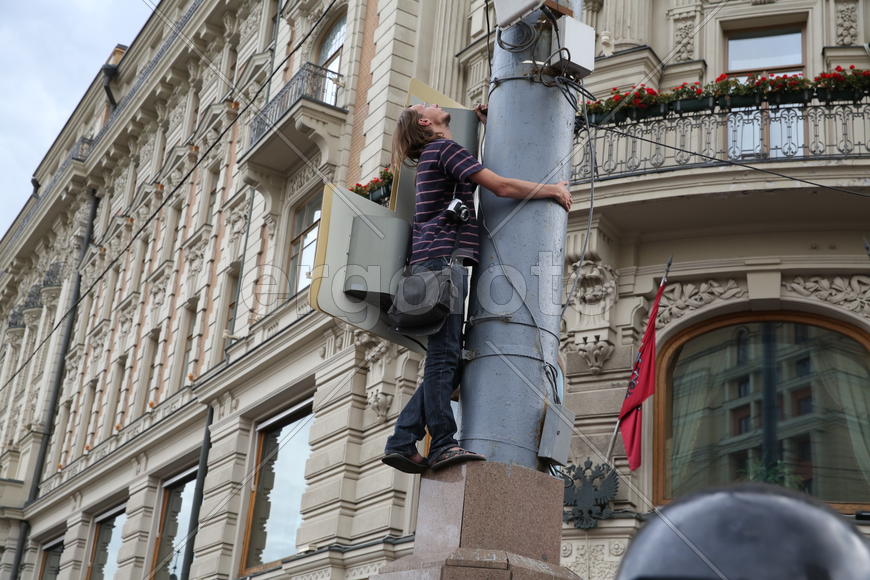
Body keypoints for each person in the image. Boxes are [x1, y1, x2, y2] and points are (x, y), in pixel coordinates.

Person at [381, 102, 572, 474]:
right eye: (429, 106)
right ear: (425, 121)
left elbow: (470, 176)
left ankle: (403, 440)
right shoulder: (443, 149)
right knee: (443, 359)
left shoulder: (434, 156)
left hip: (428, 265)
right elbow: (497, 185)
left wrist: (489, 127)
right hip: (442, 265)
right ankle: (442, 445)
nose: (438, 105)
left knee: (449, 360)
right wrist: (551, 190)